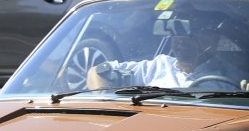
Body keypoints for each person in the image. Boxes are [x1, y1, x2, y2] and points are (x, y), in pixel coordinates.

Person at [87, 31, 220, 91]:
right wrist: (104, 95)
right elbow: (96, 72)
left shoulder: (222, 81)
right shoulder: (159, 65)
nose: (180, 40)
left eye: (190, 36)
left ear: (208, 43)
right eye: (177, 34)